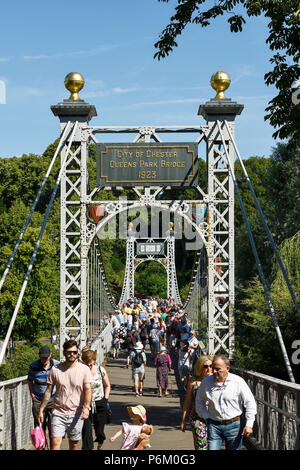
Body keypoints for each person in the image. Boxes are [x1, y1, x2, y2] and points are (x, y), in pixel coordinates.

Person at [38, 339, 93, 451]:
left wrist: (86, 408)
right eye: (69, 352)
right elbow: (48, 391)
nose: (72, 354)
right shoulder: (55, 370)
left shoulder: (84, 369)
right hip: (58, 412)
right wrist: (41, 409)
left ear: (78, 353)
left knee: (73, 445)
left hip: (76, 413)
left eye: (74, 352)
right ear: (64, 353)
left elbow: (88, 390)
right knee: (55, 443)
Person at [195, 354, 257, 450]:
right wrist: (206, 416)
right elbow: (199, 402)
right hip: (214, 425)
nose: (214, 371)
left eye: (218, 369)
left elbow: (250, 403)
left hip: (234, 426)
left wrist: (249, 424)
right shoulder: (206, 382)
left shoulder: (238, 382)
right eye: (213, 368)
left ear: (227, 368)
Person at [81, 347, 111, 450]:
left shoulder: (100, 370)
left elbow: (107, 385)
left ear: (94, 360)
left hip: (100, 402)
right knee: (86, 430)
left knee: (99, 430)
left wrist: (105, 399)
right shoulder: (81, 371)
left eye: (91, 362)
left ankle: (100, 443)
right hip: (86, 404)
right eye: (87, 362)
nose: (89, 364)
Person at [181, 355, 213, 450]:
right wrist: (183, 420)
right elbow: (188, 401)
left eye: (211, 366)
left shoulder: (215, 380)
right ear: (200, 367)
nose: (209, 369)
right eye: (206, 366)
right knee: (201, 446)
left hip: (213, 418)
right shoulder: (193, 381)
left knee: (212, 446)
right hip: (197, 418)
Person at [27, 345, 60, 438]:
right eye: (42, 358)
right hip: (38, 399)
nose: (44, 360)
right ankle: (41, 446)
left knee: (54, 427)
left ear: (50, 355)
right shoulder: (34, 366)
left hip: (53, 399)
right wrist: (32, 395)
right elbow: (30, 381)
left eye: (46, 357)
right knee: (39, 426)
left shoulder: (57, 365)